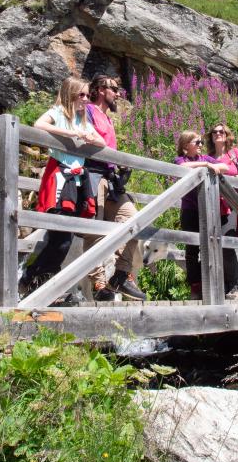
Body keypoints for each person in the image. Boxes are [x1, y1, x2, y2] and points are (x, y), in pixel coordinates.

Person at [18, 77, 104, 296]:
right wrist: (72, 134)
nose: (86, 99)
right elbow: (39, 124)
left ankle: (39, 280)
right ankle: (36, 279)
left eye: (87, 95)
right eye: (81, 95)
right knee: (61, 238)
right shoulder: (58, 113)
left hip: (76, 183)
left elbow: (102, 143)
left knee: (64, 238)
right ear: (69, 94)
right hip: (60, 178)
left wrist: (87, 136)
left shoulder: (83, 120)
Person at [84, 74, 146, 302]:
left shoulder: (108, 118)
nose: (118, 93)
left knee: (133, 222)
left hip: (111, 179)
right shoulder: (88, 111)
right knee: (94, 232)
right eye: (114, 89)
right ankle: (99, 283)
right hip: (93, 174)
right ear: (101, 89)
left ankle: (121, 275)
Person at [174, 130, 229, 300]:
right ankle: (195, 286)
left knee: (209, 246)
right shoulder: (182, 159)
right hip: (190, 210)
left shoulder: (204, 158)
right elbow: (181, 167)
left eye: (200, 142)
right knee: (191, 249)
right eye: (196, 142)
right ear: (185, 146)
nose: (200, 145)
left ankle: (210, 286)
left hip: (207, 210)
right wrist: (206, 166)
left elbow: (225, 166)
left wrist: (211, 165)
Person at [205, 123, 238, 299]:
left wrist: (227, 179)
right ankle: (220, 287)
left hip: (230, 205)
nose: (218, 134)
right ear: (211, 136)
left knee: (226, 245)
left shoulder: (234, 154)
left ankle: (234, 288)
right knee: (211, 246)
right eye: (214, 132)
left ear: (226, 135)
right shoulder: (208, 157)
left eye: (221, 131)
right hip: (210, 206)